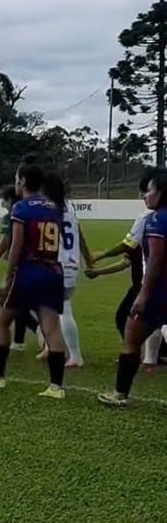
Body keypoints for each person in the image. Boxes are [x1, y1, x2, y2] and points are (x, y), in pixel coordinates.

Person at [0, 163, 68, 398]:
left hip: (29, 272)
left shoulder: (21, 208)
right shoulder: (54, 207)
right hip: (52, 271)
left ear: (23, 181)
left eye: (17, 178)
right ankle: (56, 387)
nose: (15, 182)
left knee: (3, 320)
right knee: (51, 327)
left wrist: (7, 277)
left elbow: (16, 245)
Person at [99, 171, 167, 407]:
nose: (146, 195)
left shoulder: (156, 219)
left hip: (158, 292)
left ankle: (120, 394)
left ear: (161, 193)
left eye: (150, 190)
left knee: (130, 340)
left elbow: (156, 261)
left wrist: (144, 294)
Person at [87, 171, 164, 370]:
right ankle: (149, 359)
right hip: (150, 283)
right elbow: (127, 259)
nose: (144, 196)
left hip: (151, 284)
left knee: (134, 321)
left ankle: (129, 374)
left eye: (147, 191)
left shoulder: (151, 219)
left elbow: (129, 246)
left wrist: (101, 255)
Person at [36, 174, 92, 367]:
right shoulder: (69, 209)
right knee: (49, 306)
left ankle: (75, 356)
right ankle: (50, 346)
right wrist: (88, 259)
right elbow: (80, 235)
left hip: (56, 264)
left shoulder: (47, 210)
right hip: (72, 263)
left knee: (62, 309)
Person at [0, 185, 41, 351]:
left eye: (4, 199)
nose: (2, 203)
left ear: (10, 200)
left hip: (20, 265)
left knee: (12, 303)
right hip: (36, 263)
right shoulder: (31, 213)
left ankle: (38, 328)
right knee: (20, 302)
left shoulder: (11, 216)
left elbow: (5, 242)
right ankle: (19, 342)